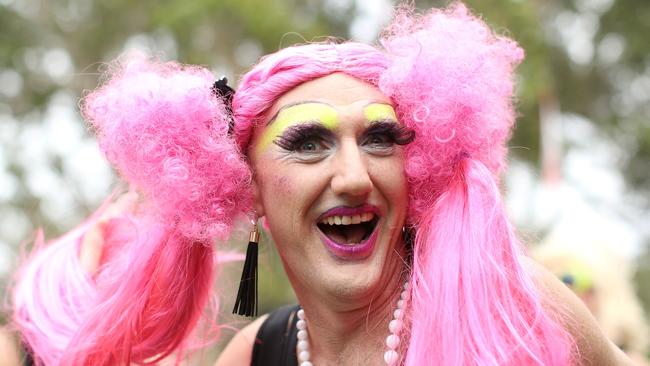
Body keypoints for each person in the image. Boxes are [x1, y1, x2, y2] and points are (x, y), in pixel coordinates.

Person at [10, 3, 633, 365]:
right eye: (307, 143)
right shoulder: (259, 353)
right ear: (245, 187)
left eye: (382, 139)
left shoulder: (513, 303)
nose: (355, 176)